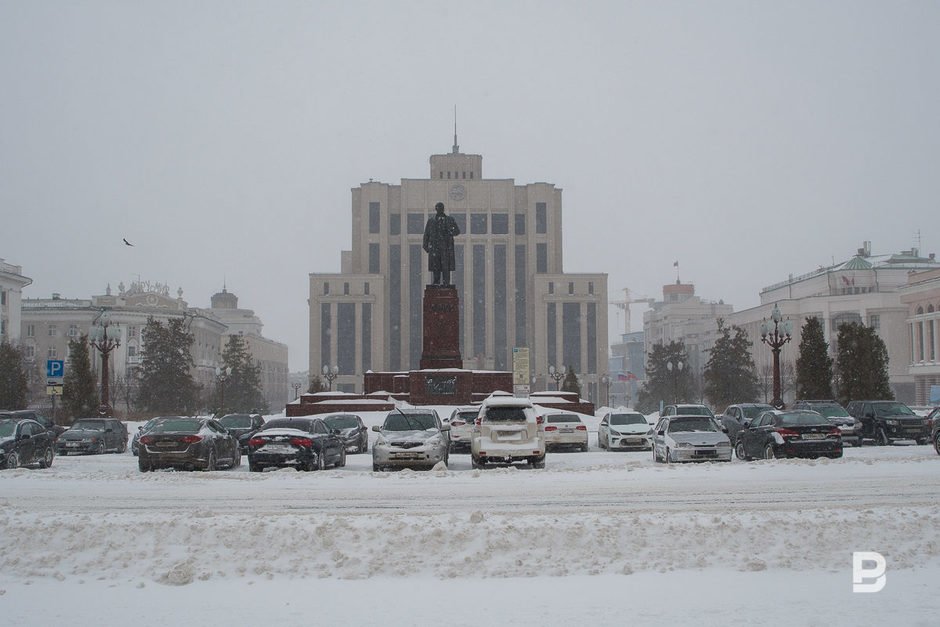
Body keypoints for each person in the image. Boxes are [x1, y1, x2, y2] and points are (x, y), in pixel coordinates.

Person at [422, 202, 460, 286]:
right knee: (436, 266)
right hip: (435, 248)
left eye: (440, 208)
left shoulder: (450, 219)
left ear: (443, 209)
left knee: (445, 266)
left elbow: (457, 231)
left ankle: (446, 282)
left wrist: (449, 232)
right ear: (436, 209)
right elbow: (426, 234)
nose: (439, 210)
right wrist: (425, 245)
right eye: (438, 208)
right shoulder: (431, 221)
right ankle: (436, 281)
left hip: (446, 248)